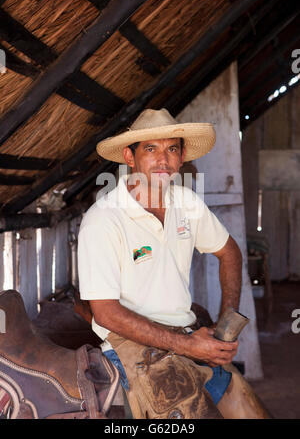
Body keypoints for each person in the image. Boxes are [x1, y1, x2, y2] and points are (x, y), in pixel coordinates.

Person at [78, 108, 270, 419]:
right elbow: (105, 312)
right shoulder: (104, 220)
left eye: (172, 149)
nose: (163, 160)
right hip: (132, 346)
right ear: (130, 157)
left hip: (188, 333)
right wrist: (186, 345)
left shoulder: (187, 203)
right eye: (151, 149)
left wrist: (226, 326)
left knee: (253, 412)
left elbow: (229, 253)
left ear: (181, 159)